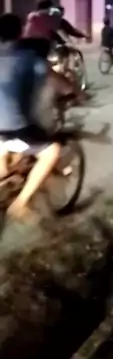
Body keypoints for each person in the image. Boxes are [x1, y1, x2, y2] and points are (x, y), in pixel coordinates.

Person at [0, 13, 76, 222]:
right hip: (15, 124)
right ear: (20, 32)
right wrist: (75, 91)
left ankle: (5, 172)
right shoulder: (29, 58)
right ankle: (20, 203)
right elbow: (59, 82)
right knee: (51, 151)